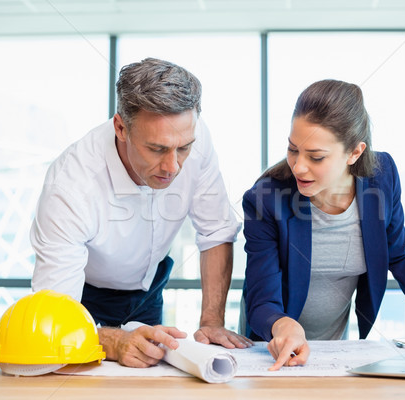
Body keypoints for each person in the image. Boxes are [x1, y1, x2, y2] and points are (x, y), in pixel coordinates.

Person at [241, 79, 405, 371]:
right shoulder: (265, 199)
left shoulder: (383, 176)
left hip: (335, 352)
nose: (298, 166)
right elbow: (261, 296)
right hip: (271, 352)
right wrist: (282, 325)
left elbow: (398, 255)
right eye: (293, 150)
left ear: (355, 153)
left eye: (316, 157)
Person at [31, 57, 251, 368]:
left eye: (183, 148)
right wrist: (113, 341)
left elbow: (215, 231)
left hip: (151, 285)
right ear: (120, 127)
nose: (173, 166)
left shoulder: (195, 137)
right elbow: (54, 315)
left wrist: (211, 321)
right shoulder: (70, 185)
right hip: (85, 298)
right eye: (157, 149)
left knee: (147, 379)